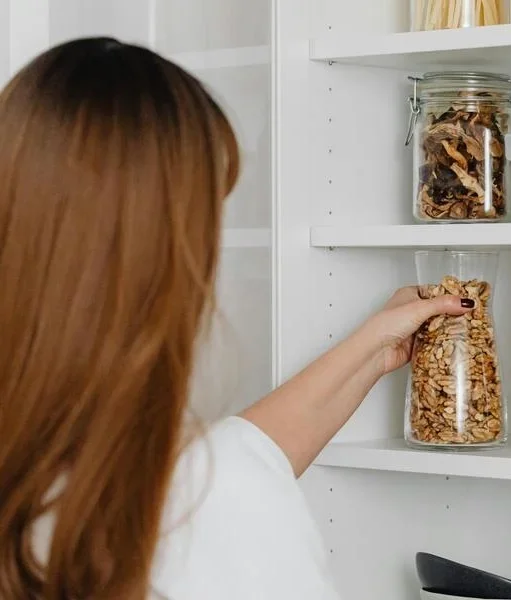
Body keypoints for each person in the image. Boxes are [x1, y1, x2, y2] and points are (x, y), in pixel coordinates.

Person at [0, 37, 473, 599]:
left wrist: (371, 350)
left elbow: (228, 461)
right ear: (166, 248)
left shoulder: (34, 460)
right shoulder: (217, 504)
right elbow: (212, 487)